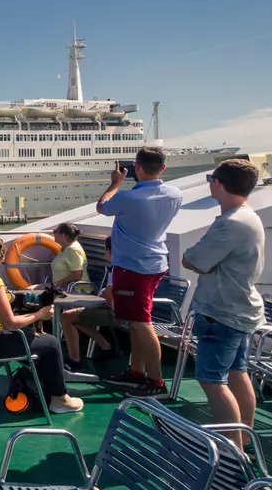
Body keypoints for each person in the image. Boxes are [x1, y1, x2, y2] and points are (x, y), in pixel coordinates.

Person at [182, 159, 265, 450]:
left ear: (217, 183)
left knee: (212, 381)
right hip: (239, 309)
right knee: (237, 373)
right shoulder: (247, 217)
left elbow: (191, 259)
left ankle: (232, 450)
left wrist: (201, 263)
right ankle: (244, 438)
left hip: (222, 312)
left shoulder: (229, 224)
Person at [0, 237, 85, 413]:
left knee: (36, 338)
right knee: (51, 344)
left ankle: (39, 384)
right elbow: (11, 324)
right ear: (1, 260)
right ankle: (59, 399)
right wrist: (39, 314)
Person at [96, 149, 182, 398]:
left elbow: (102, 207)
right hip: (154, 264)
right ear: (163, 168)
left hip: (132, 267)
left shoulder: (126, 197)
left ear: (137, 167)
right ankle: (136, 372)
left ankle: (156, 382)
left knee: (142, 324)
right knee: (136, 322)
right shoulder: (175, 194)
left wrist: (115, 183)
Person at [60, 237, 117, 374]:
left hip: (115, 313)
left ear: (109, 251)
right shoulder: (128, 266)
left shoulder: (116, 270)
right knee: (74, 317)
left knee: (66, 317)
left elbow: (108, 300)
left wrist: (96, 300)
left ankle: (75, 360)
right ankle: (106, 345)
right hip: (129, 310)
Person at [50, 223, 86, 288]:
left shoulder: (73, 250)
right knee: (31, 289)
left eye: (55, 231)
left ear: (63, 235)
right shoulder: (65, 248)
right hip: (60, 287)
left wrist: (59, 283)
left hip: (75, 290)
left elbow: (77, 275)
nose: (53, 233)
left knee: (32, 291)